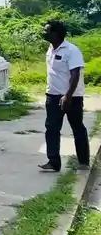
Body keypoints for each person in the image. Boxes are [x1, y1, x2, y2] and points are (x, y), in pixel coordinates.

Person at [39, 19, 90, 172]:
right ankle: (53, 161)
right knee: (51, 128)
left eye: (46, 30)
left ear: (55, 33)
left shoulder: (71, 51)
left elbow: (75, 75)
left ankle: (83, 162)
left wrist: (67, 96)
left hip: (71, 97)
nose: (44, 32)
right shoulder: (50, 48)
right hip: (53, 96)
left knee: (77, 128)